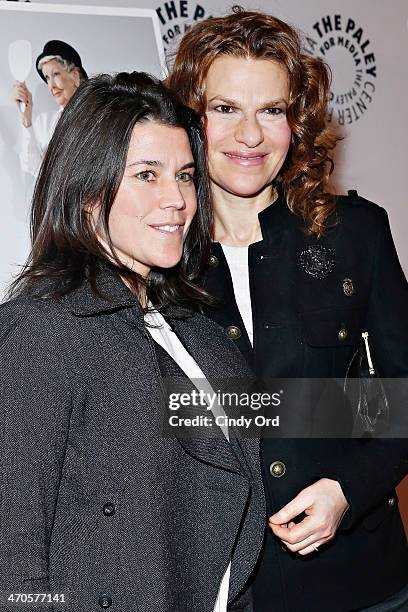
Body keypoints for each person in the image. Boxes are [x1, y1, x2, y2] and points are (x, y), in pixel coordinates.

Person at [168, 7, 408, 612]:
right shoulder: (156, 257)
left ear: (295, 123)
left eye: (270, 111)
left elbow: (399, 401)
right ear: (191, 121)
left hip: (360, 584)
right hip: (219, 591)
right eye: (225, 109)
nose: (250, 136)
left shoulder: (358, 234)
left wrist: (347, 491)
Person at [0, 71, 265, 612]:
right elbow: (13, 555)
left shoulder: (200, 339)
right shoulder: (40, 330)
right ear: (90, 192)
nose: (177, 200)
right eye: (147, 174)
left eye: (186, 176)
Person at [13, 39, 87, 176]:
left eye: (56, 74)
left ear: (75, 76)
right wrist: (27, 119)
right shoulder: (45, 122)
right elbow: (33, 167)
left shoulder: (96, 118)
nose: (51, 85)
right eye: (47, 77)